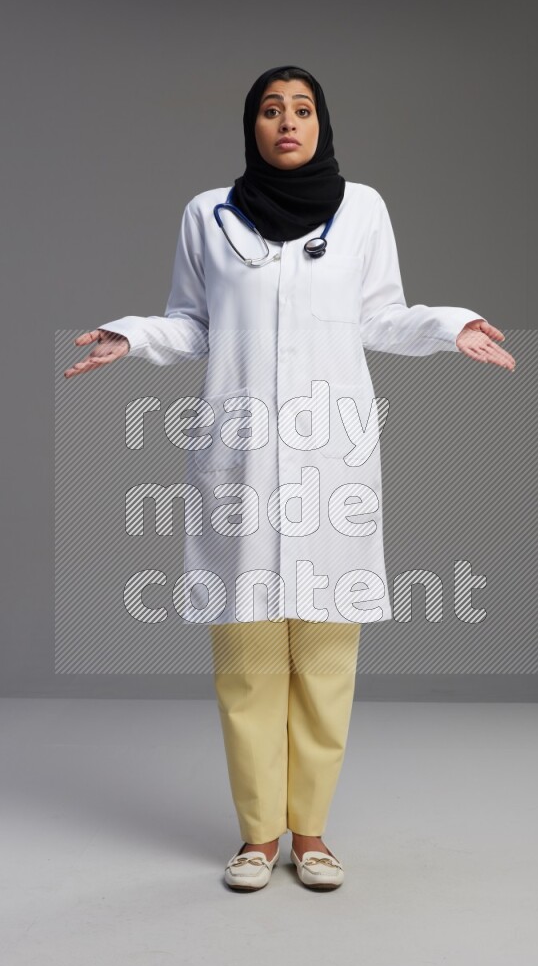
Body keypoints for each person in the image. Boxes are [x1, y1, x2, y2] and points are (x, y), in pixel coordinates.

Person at [64, 64, 515, 892]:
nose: (287, 122)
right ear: (252, 126)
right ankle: (255, 837)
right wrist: (131, 336)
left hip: (329, 465)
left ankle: (310, 834)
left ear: (321, 123)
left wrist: (454, 326)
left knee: (325, 661)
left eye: (302, 109)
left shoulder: (362, 210)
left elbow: (383, 316)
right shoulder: (209, 215)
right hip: (238, 462)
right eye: (271, 110)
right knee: (246, 663)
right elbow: (192, 324)